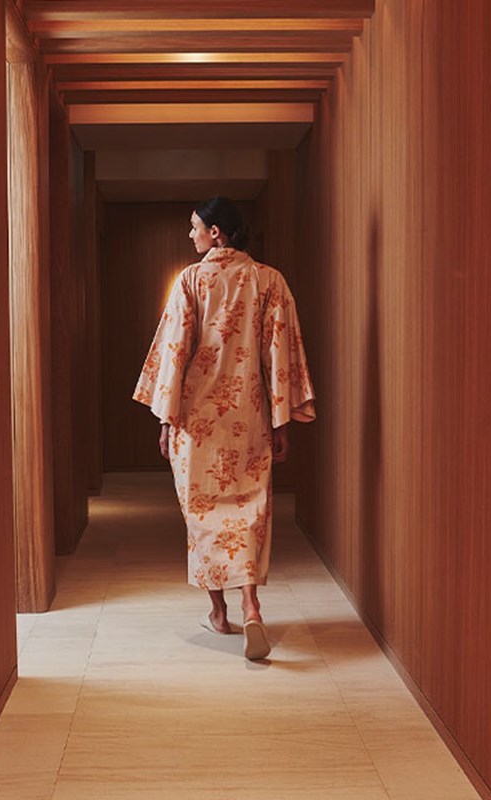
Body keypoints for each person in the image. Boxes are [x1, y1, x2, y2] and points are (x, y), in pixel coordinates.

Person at [133, 197, 315, 660]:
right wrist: (280, 420)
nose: (190, 234)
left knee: (204, 517)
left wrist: (164, 418)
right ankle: (251, 603)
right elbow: (279, 352)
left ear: (217, 232)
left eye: (195, 227)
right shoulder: (269, 281)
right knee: (248, 511)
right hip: (248, 416)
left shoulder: (191, 281)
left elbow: (175, 351)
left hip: (196, 422)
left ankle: (218, 613)